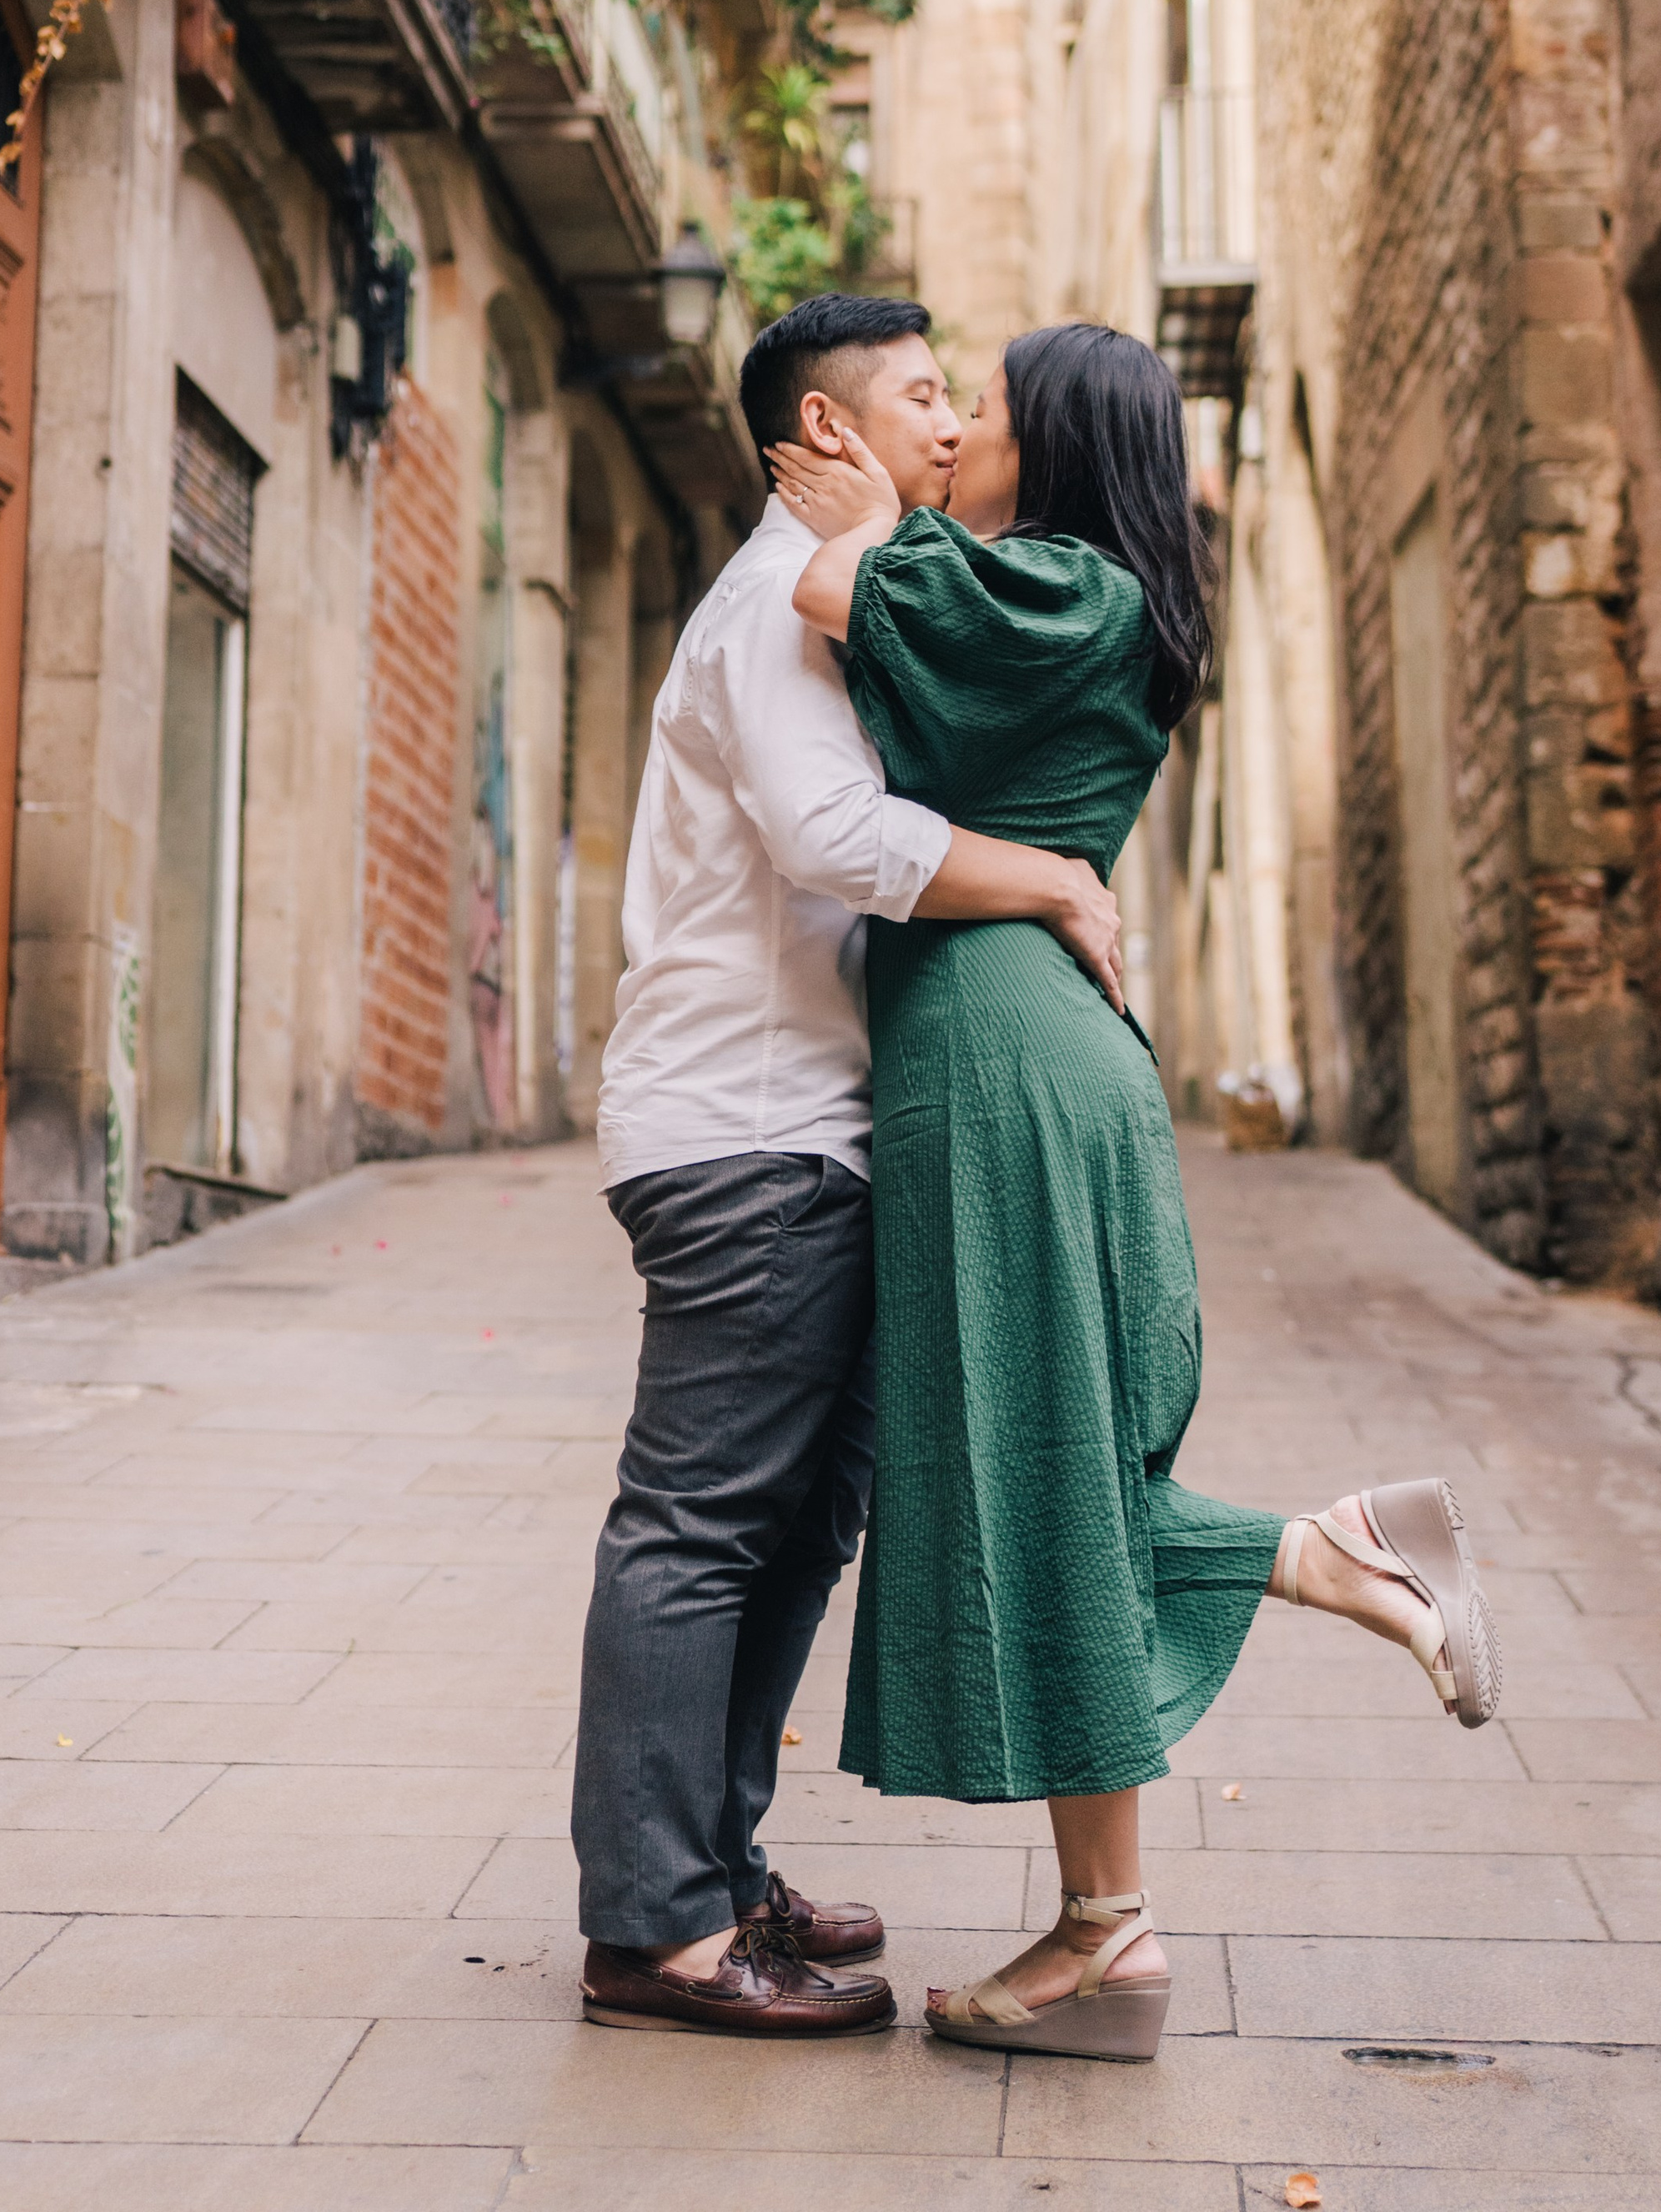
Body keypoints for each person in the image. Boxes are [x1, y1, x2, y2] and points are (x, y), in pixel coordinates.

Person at [767, 319, 1503, 2062]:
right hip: (999, 1050)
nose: (956, 437)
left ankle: (1329, 1578)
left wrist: (864, 500)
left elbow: (826, 595)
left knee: (1032, 1470)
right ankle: (1116, 1917)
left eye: (987, 413)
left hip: (1009, 1064)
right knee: (1026, 1471)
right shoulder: (1064, 590)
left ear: (1070, 445)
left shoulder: (1064, 589)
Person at [571, 293, 1132, 2039]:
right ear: (821, 437)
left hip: (802, 1128)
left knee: (796, 1523)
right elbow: (831, 834)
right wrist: (1045, 874)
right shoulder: (771, 609)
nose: (950, 426)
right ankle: (654, 1930)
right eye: (915, 400)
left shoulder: (846, 592)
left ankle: (714, 1866)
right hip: (741, 1133)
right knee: (698, 1525)